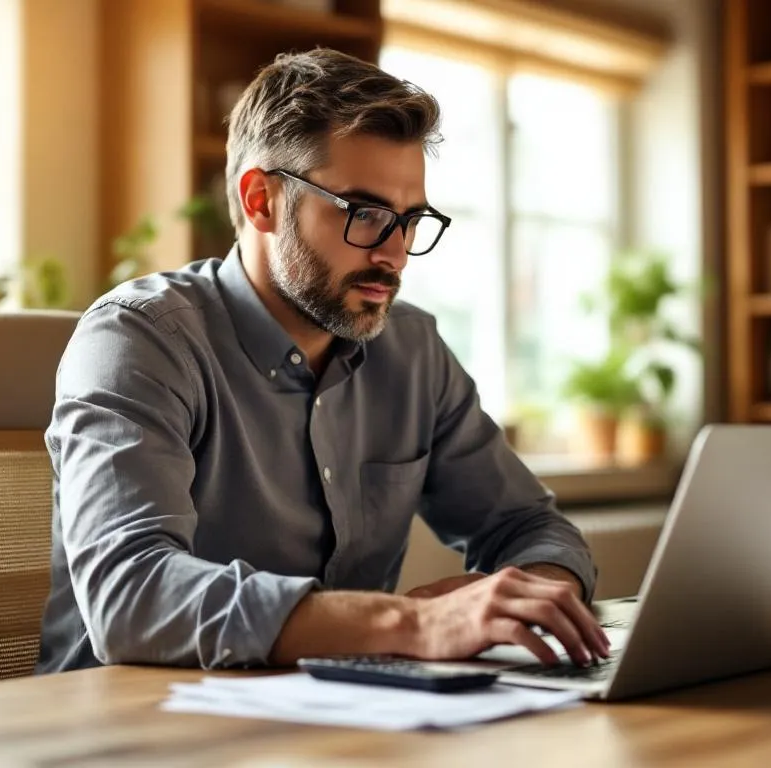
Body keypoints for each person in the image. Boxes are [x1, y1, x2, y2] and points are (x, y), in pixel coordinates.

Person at [35, 47, 608, 675]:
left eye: (411, 220)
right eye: (366, 214)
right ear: (261, 200)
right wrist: (412, 623)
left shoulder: (412, 350)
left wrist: (536, 597)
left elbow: (530, 526)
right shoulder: (140, 340)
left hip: (337, 714)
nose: (395, 254)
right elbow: (131, 597)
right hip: (135, 718)